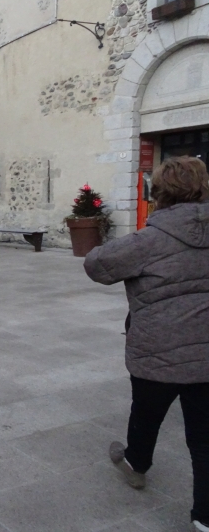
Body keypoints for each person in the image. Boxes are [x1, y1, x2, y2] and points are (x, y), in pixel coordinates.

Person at [84, 156, 209, 531]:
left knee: (146, 412)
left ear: (159, 193)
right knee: (204, 439)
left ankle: (137, 463)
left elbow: (95, 264)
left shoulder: (147, 240)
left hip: (158, 348)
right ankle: (204, 518)